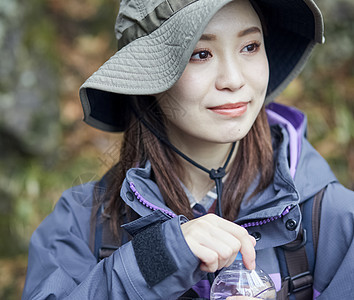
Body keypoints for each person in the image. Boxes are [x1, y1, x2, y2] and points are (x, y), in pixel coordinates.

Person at [22, 0, 354, 299]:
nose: (233, 79)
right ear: (146, 77)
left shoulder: (332, 219)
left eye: (250, 46)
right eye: (201, 53)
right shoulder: (81, 225)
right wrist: (156, 260)